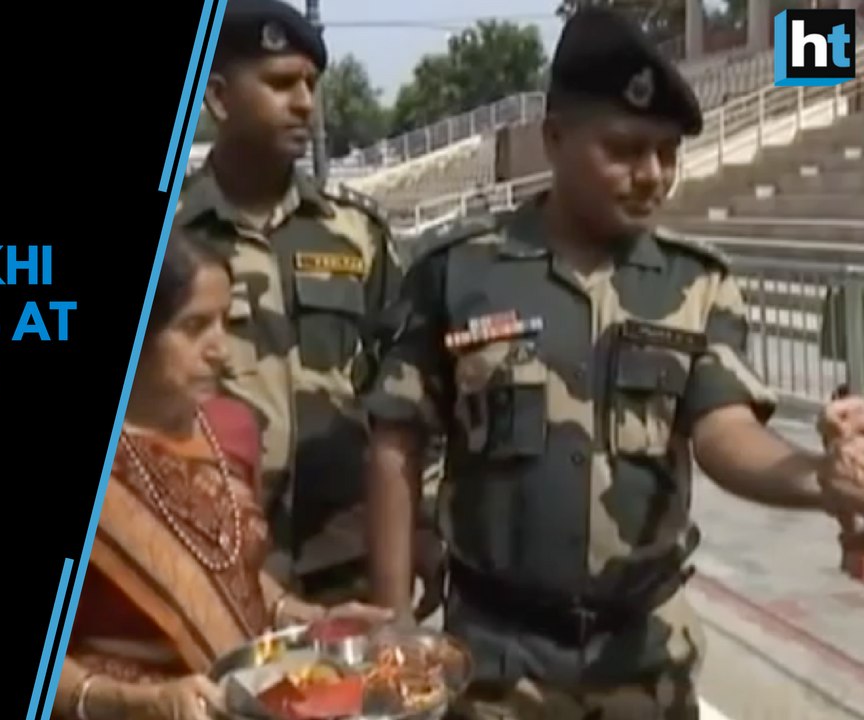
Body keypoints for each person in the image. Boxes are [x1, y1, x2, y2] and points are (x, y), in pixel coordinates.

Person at [362, 7, 864, 720]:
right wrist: (392, 621)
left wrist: (819, 479)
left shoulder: (697, 284)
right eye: (626, 149)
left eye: (667, 152)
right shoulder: (459, 273)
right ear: (556, 137)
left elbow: (724, 433)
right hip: (498, 663)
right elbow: (395, 440)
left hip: (644, 662)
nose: (652, 175)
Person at [52, 230, 390, 720]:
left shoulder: (232, 429)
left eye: (225, 323)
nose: (222, 351)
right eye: (194, 327)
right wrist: (137, 703)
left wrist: (311, 622)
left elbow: (234, 572)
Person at [174, 0, 406, 605]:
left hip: (348, 557)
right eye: (280, 83)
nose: (305, 102)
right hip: (213, 557)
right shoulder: (173, 240)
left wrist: (419, 529)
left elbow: (407, 393)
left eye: (310, 84)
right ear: (219, 99)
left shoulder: (357, 235)